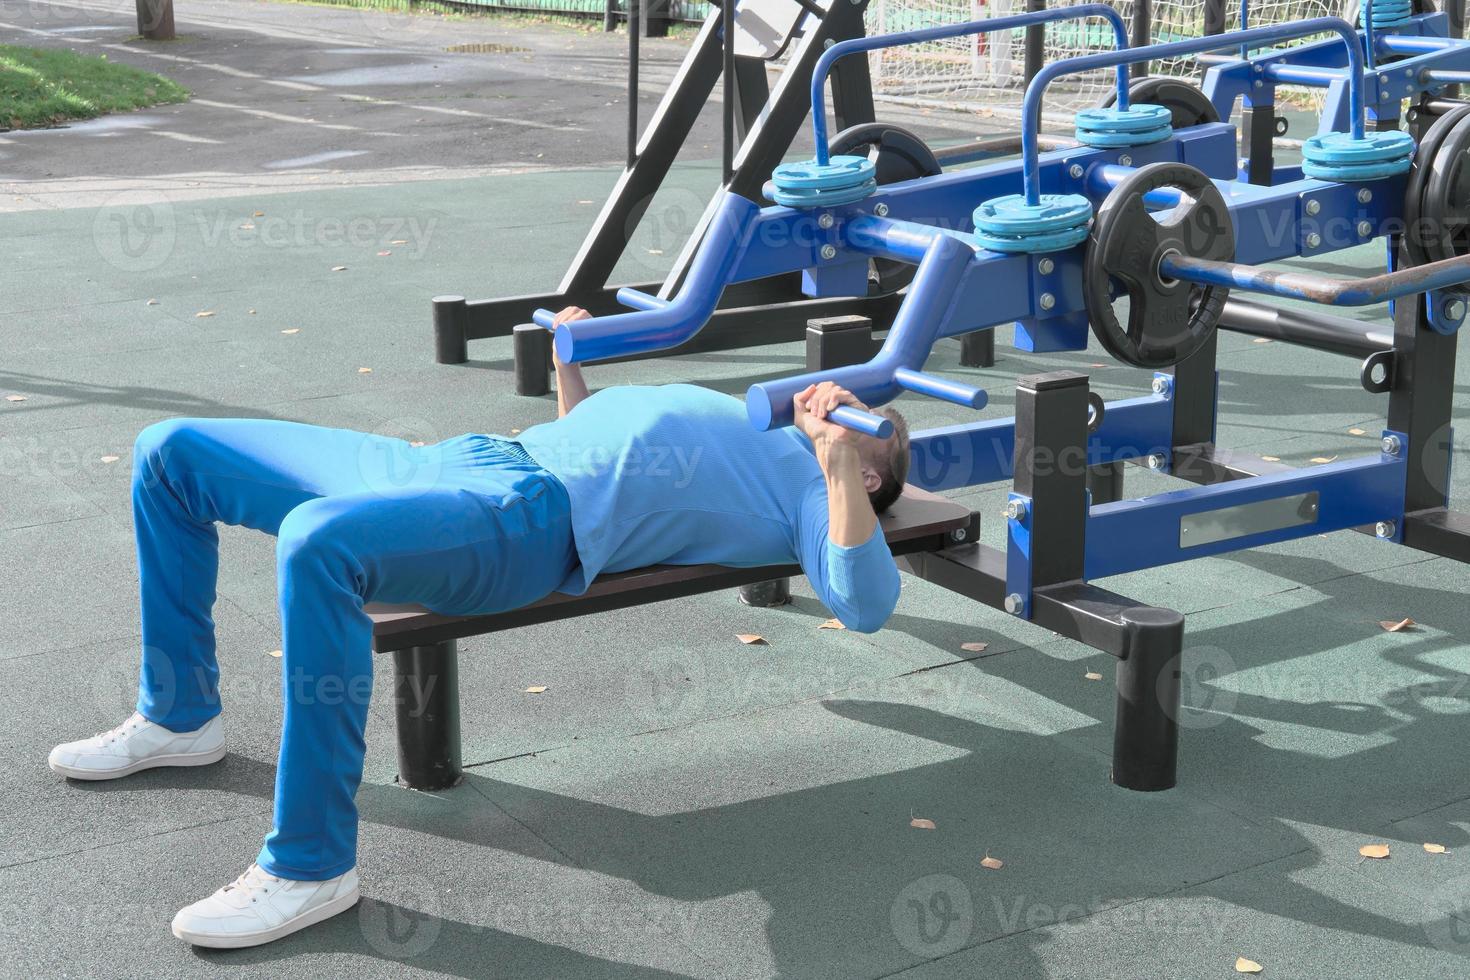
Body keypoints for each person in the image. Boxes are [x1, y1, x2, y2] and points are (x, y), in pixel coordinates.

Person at [48, 307, 911, 949]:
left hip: (526, 524)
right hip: (471, 461)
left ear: (873, 476)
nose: (826, 405)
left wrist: (836, 458)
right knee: (171, 450)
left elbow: (865, 603)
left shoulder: (815, 489)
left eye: (854, 423)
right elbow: (612, 449)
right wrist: (574, 372)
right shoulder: (759, 427)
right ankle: (179, 715)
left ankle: (311, 867)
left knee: (320, 545)